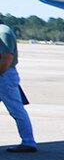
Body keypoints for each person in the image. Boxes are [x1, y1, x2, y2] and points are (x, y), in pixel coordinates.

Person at [0, 22, 37, 153]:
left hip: (4, 75)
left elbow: (6, 60)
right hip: (4, 75)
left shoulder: (2, 32)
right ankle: (28, 141)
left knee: (16, 110)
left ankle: (28, 142)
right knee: (17, 110)